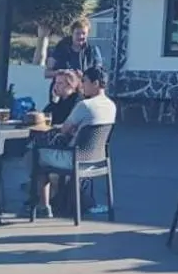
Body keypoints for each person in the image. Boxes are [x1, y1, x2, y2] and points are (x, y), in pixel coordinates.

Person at [32, 67, 118, 219]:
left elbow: (64, 129)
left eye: (84, 81)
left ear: (95, 83)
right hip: (97, 158)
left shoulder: (85, 105)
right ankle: (57, 200)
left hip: (74, 157)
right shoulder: (111, 106)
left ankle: (43, 205)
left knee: (35, 155)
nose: (82, 85)